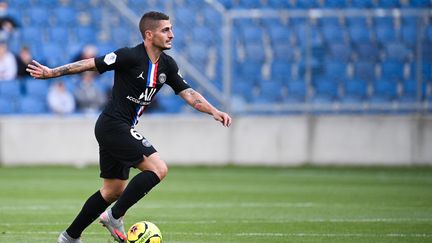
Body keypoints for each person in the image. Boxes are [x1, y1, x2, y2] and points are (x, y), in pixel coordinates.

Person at [27, 11, 232, 243]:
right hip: (113, 125)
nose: (172, 35)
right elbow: (91, 64)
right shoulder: (129, 56)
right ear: (149, 34)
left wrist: (214, 111)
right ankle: (114, 216)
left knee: (113, 190)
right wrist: (52, 72)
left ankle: (69, 237)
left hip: (117, 127)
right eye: (166, 30)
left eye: (171, 29)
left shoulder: (167, 65)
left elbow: (189, 93)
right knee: (158, 169)